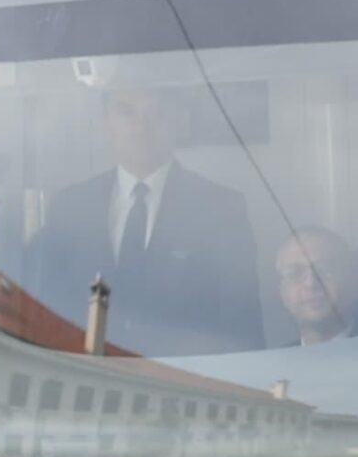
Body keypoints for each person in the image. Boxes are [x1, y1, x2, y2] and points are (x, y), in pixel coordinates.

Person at [27, 86, 263, 356]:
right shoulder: (70, 206)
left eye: (157, 112)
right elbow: (45, 314)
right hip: (85, 375)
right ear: (106, 122)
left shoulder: (220, 208)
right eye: (126, 111)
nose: (141, 126)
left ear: (177, 121)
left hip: (185, 377)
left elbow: (243, 326)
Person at [274, 225, 358, 344]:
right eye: (294, 273)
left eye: (324, 269)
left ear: (351, 280)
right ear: (282, 292)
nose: (310, 283)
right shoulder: (275, 355)